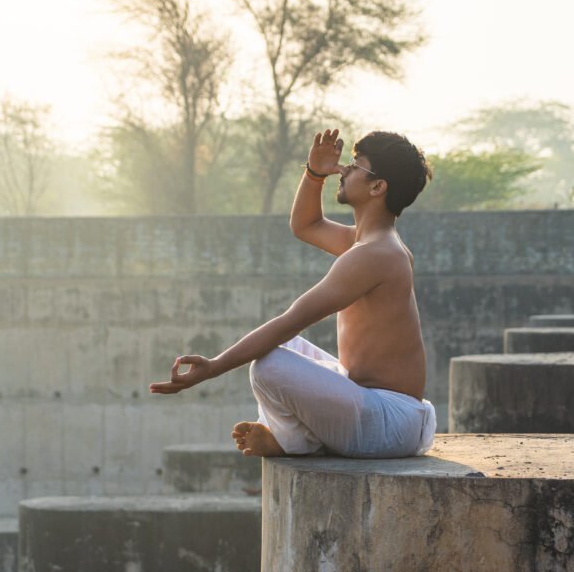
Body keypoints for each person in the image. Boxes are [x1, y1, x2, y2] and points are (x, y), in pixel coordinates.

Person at [149, 129, 436, 459]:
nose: (343, 169)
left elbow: (292, 320)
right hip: (384, 414)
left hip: (388, 424)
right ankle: (293, 437)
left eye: (356, 165)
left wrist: (213, 367)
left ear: (377, 186)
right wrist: (314, 173)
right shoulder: (370, 244)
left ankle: (290, 442)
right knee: (283, 349)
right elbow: (306, 225)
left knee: (268, 365)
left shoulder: (375, 254)